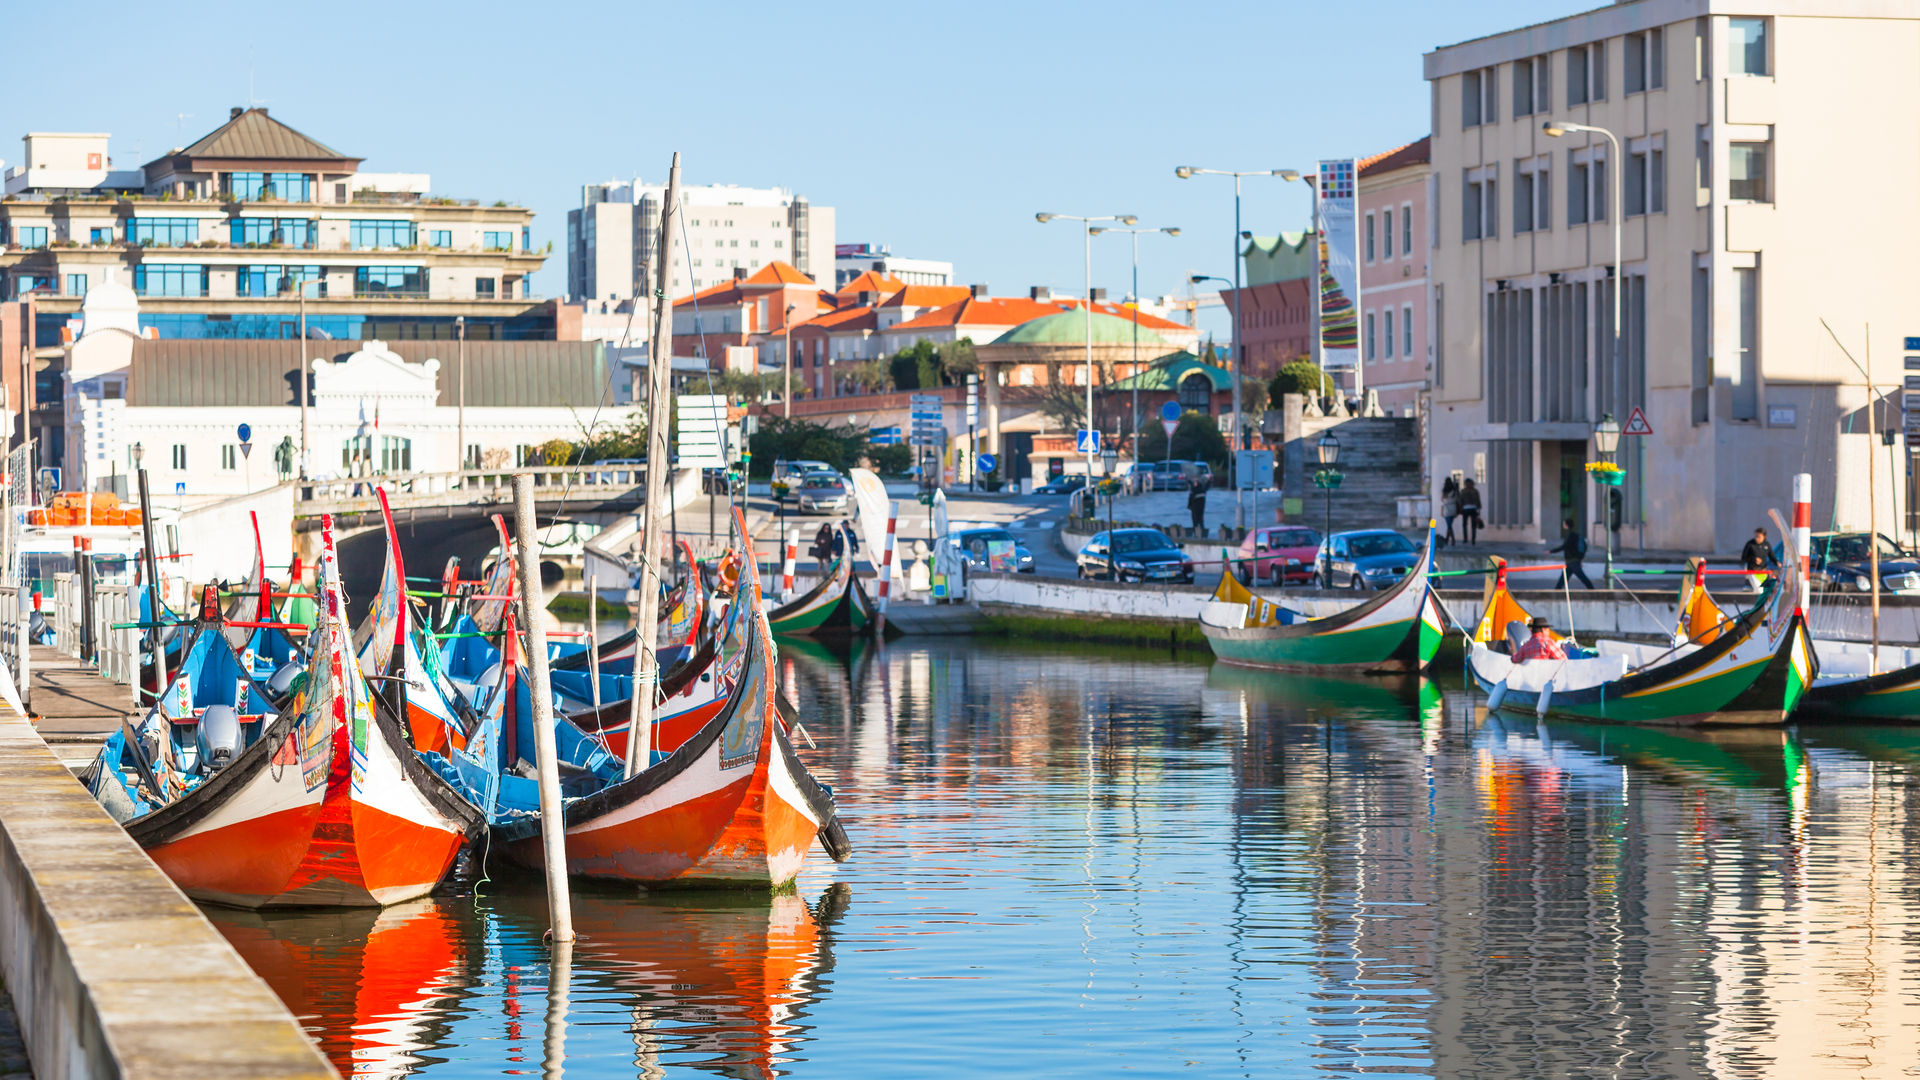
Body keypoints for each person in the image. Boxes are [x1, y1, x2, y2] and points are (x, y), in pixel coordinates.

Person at [1552, 518, 1595, 589]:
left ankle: (1593, 591)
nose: (1563, 525)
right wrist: (1580, 558)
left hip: (1573, 562)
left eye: (1564, 523)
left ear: (1566, 525)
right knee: (1563, 579)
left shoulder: (1570, 535)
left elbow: (1564, 546)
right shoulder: (1574, 535)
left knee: (1582, 577)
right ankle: (1555, 593)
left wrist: (1551, 551)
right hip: (1571, 562)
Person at [1457, 479, 1482, 544]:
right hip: (1473, 508)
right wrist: (1478, 510)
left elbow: (1460, 500)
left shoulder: (1463, 491)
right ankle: (1473, 539)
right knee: (1473, 525)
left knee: (1465, 524)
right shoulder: (1475, 491)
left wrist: (1460, 507)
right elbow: (1478, 501)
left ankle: (1465, 539)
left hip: (1465, 508)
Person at [1440, 476, 1461, 546]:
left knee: (1449, 525)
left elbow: (1442, 501)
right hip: (1453, 508)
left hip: (1447, 508)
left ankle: (1452, 539)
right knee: (1449, 525)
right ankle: (1447, 539)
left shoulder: (1444, 491)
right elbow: (1458, 500)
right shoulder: (1455, 491)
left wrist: (1441, 511)